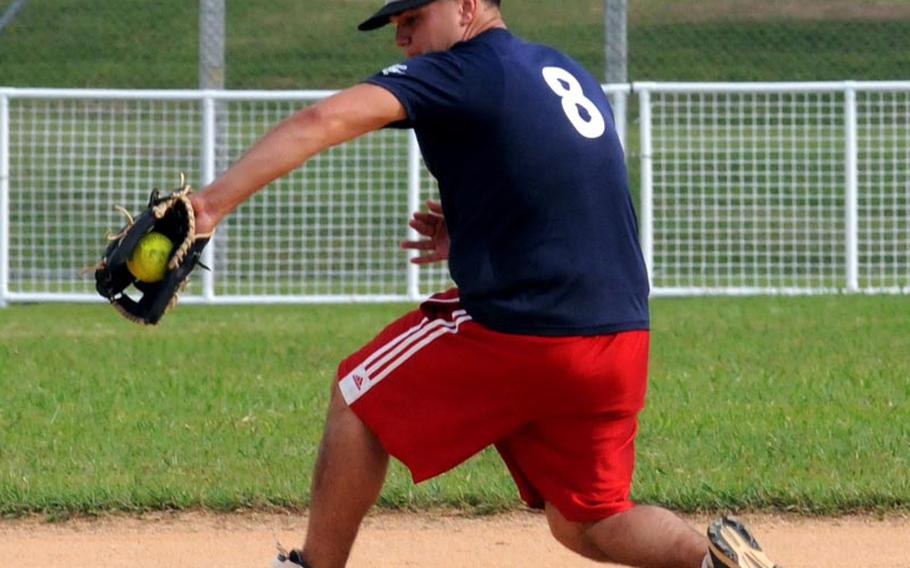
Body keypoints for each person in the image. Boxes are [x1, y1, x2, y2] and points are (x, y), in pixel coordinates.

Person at [190, 1, 781, 567]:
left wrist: (209, 206)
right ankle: (711, 561)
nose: (402, 37)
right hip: (619, 336)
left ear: (467, 7)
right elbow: (573, 181)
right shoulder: (558, 67)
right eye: (397, 23)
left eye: (415, 18)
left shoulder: (464, 68)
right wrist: (478, 230)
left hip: (529, 329)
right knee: (588, 520)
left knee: (356, 397)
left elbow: (321, 120)